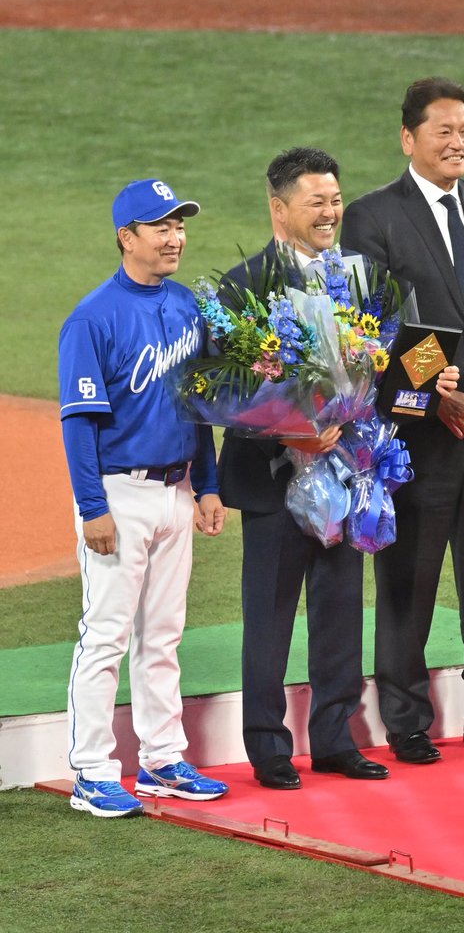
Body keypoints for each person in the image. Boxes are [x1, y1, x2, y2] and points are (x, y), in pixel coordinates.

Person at [341, 77, 464, 764]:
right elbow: (373, 322)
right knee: (409, 581)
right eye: (442, 132)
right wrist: (441, 394)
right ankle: (405, 722)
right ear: (408, 138)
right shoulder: (373, 216)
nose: (457, 142)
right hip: (416, 437)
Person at [218, 147, 415, 789]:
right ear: (280, 209)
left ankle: (334, 739)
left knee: (339, 610)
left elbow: (398, 345)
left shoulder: (359, 276)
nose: (331, 212)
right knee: (270, 618)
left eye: (335, 199)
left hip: (348, 474)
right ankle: (269, 747)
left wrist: (437, 376)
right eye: (317, 201)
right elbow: (225, 388)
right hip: (276, 482)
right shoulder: (242, 285)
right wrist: (296, 433)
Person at [59, 178, 228, 817]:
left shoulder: (189, 306)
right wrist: (91, 506)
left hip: (177, 490)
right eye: (161, 226)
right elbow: (77, 421)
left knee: (162, 635)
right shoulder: (92, 317)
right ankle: (93, 771)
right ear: (127, 237)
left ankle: (162, 760)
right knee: (104, 635)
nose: (175, 236)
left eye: (180, 225)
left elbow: (204, 405)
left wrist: (208, 486)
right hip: (117, 495)